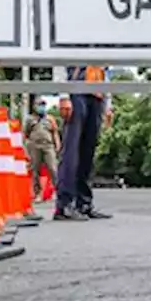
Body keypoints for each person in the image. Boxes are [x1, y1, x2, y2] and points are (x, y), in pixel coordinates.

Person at [54, 66, 113, 221]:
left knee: (89, 151)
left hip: (96, 94)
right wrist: (64, 95)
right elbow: (60, 61)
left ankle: (84, 203)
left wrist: (108, 103)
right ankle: (65, 204)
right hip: (76, 90)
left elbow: (104, 71)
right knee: (72, 151)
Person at [25, 101, 61, 202]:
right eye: (39, 105)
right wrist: (27, 148)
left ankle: (58, 191)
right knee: (35, 170)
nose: (42, 107)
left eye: (43, 105)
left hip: (48, 146)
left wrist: (57, 144)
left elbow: (55, 132)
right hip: (35, 145)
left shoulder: (50, 118)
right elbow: (27, 134)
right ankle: (38, 194)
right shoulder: (30, 119)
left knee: (53, 168)